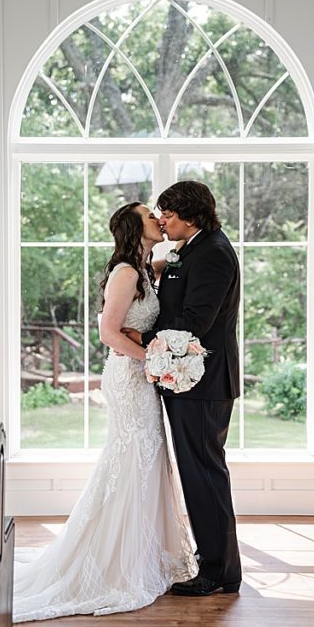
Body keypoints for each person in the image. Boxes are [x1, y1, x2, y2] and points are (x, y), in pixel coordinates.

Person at [12, 202, 197, 621]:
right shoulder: (126, 273)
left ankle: (145, 552)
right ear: (135, 227)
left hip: (143, 377)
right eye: (151, 215)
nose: (159, 218)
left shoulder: (147, 268)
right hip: (128, 378)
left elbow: (178, 259)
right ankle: (115, 563)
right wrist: (154, 362)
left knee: (147, 461)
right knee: (131, 459)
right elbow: (108, 332)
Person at [122, 180, 242, 596]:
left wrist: (141, 336)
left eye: (168, 214)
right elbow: (178, 299)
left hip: (204, 384)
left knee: (203, 473)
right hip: (189, 382)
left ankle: (217, 572)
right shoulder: (194, 248)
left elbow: (195, 321)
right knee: (198, 472)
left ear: (190, 215)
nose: (163, 220)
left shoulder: (213, 253)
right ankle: (219, 566)